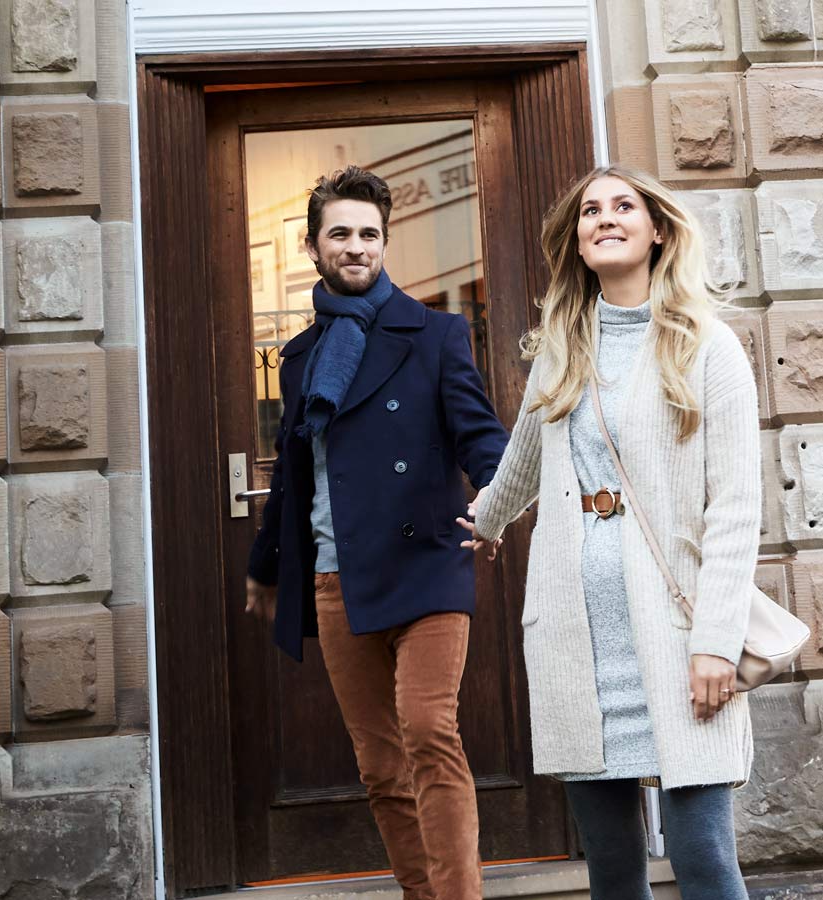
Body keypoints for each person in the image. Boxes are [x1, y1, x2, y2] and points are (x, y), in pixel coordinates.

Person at [459, 166, 759, 900]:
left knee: (702, 857)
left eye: (624, 206)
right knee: (613, 872)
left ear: (657, 230)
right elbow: (522, 462)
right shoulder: (564, 348)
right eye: (591, 211)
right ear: (579, 241)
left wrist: (717, 640)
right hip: (578, 635)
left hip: (677, 631)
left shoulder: (707, 347)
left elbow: (737, 508)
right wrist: (484, 521)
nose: (606, 218)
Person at [245, 165, 507, 900]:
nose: (356, 247)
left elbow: (478, 432)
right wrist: (264, 565)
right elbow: (294, 472)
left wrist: (495, 491)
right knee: (380, 765)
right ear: (312, 247)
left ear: (385, 242)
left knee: (428, 733)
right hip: (337, 575)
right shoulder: (298, 359)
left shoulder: (436, 334)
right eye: (341, 234)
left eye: (369, 234)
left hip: (425, 562)